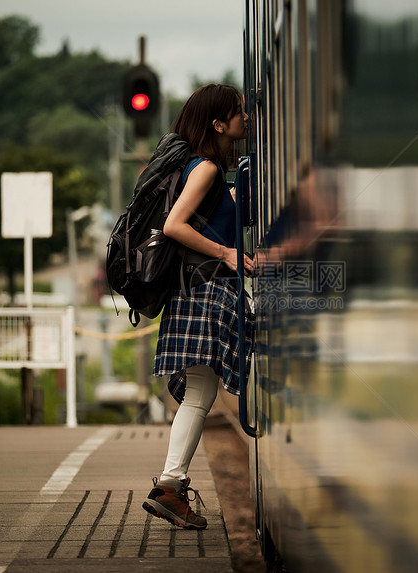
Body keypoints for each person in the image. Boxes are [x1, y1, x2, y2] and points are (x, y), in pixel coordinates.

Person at [142, 84, 255, 530]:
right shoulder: (205, 168)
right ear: (218, 124)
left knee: (201, 393)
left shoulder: (209, 171)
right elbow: (174, 226)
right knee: (201, 394)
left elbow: (216, 224)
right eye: (238, 113)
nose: (246, 119)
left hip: (199, 291)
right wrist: (226, 255)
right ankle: (171, 485)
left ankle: (172, 486)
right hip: (203, 292)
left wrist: (239, 252)